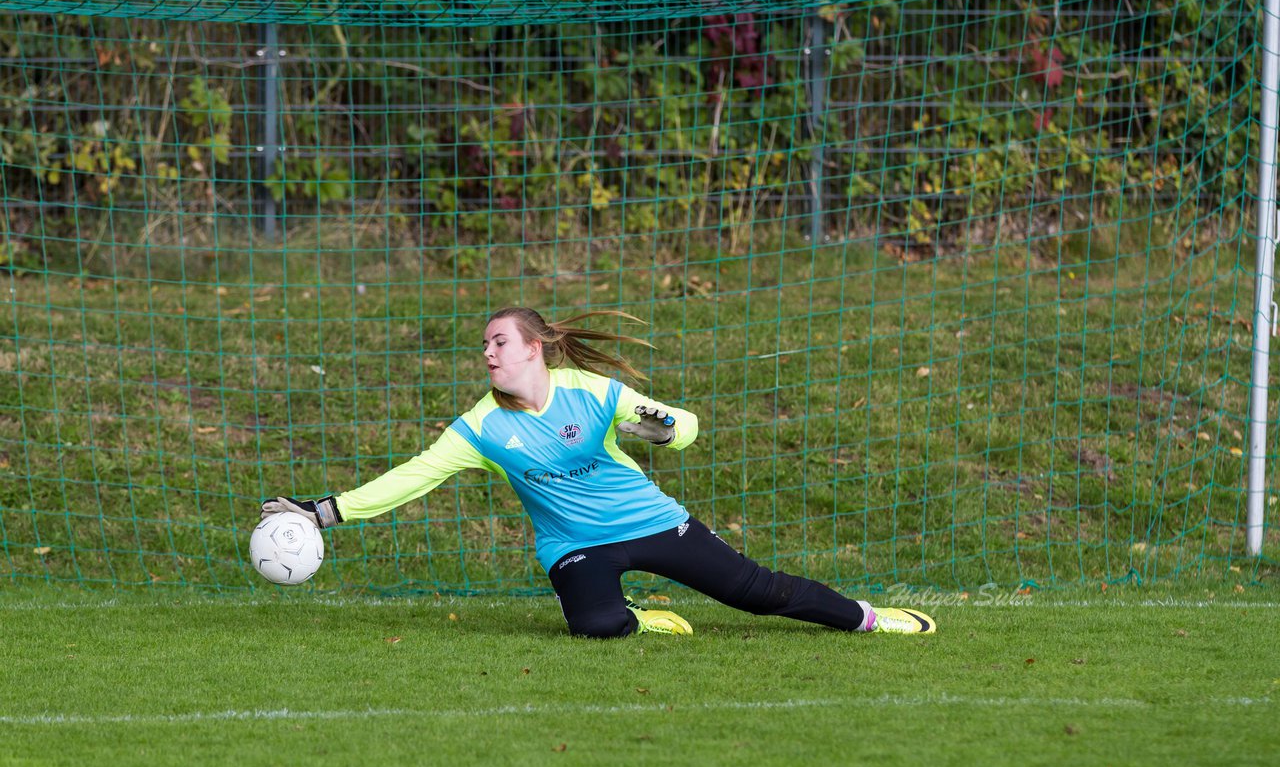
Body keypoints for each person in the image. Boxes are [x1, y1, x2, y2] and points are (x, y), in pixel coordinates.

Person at [262, 307, 936, 637]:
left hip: (651, 523)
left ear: (533, 347)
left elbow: (689, 426)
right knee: (596, 630)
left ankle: (870, 619)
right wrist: (322, 511)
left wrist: (664, 430)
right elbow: (414, 475)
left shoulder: (594, 391)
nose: (487, 352)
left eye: (498, 341)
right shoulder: (482, 426)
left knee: (758, 593)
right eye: (485, 345)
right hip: (573, 548)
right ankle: (645, 622)